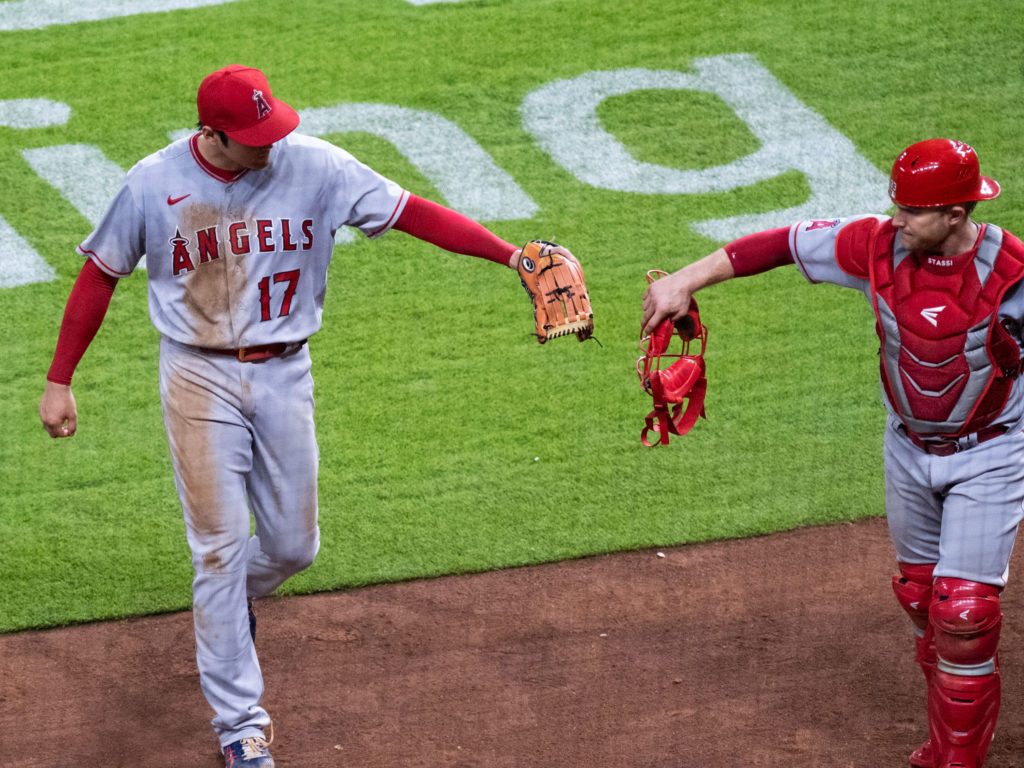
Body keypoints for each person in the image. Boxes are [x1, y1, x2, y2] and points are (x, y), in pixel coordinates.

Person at [39, 64, 574, 768]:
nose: (271, 143)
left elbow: (412, 212)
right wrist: (59, 380)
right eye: (254, 135)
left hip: (287, 369)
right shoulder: (151, 182)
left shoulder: (317, 166)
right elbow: (99, 274)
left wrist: (508, 255)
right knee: (219, 549)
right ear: (212, 134)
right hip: (198, 376)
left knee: (294, 548)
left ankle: (227, 608)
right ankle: (241, 728)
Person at [641, 138, 1024, 768]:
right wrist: (685, 279)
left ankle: (958, 761)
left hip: (991, 453)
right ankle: (949, 722)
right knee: (923, 597)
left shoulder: (1013, 273)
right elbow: (783, 244)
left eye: (913, 211)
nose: (897, 219)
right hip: (906, 448)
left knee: (965, 612)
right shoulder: (878, 246)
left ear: (957, 214)